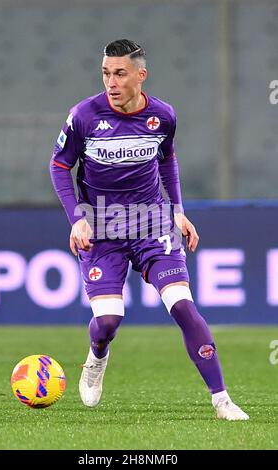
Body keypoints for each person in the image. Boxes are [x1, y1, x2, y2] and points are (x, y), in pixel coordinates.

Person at [50, 39, 249, 421]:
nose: (112, 81)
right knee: (108, 321)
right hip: (101, 226)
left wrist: (177, 212)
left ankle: (222, 400)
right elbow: (60, 167)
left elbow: (167, 160)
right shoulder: (84, 116)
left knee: (183, 307)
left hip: (151, 222)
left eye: (120, 73)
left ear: (141, 75)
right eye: (106, 73)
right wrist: (77, 217)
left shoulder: (163, 116)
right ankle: (97, 357)